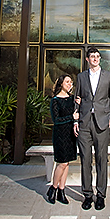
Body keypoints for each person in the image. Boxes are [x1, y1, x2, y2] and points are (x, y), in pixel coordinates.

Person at [75, 47, 110, 211]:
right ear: (87, 59)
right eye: (92, 56)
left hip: (102, 124)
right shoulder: (81, 77)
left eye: (97, 56)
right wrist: (75, 121)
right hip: (85, 124)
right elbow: (77, 99)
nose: (95, 59)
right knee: (85, 161)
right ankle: (87, 195)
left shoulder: (108, 76)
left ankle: (101, 195)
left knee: (102, 161)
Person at [47, 74, 79, 204]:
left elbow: (78, 113)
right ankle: (53, 188)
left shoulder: (72, 100)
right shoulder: (55, 100)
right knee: (62, 163)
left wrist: (79, 104)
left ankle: (62, 191)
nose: (70, 84)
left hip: (70, 135)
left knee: (67, 164)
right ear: (61, 84)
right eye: (67, 82)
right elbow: (56, 120)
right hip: (60, 135)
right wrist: (72, 117)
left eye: (71, 82)